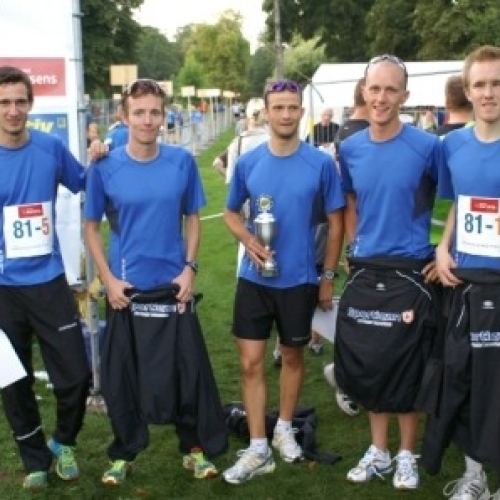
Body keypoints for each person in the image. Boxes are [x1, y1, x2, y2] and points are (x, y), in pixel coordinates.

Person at [84, 78, 228, 486]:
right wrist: (108, 279)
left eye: (154, 112)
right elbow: (91, 227)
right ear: (124, 116)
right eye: (139, 113)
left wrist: (190, 268)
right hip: (126, 291)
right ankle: (123, 453)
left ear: (164, 116)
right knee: (123, 377)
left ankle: (193, 449)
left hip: (173, 287)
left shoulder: (181, 162)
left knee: (185, 372)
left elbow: (193, 218)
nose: (147, 120)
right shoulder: (104, 166)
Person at [221, 79, 345, 484]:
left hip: (299, 279)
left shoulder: (320, 163)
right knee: (250, 363)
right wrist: (249, 241)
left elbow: (337, 222)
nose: (286, 114)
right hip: (254, 278)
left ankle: (284, 428)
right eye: (279, 107)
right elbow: (231, 213)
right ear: (266, 113)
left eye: (293, 107)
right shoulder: (248, 162)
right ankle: (258, 446)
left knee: (292, 357)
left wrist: (327, 277)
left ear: (301, 112)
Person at [334, 54, 441, 491]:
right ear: (364, 91)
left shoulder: (428, 147)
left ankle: (406, 455)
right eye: (374, 88)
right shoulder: (350, 148)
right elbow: (351, 201)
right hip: (367, 268)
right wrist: (354, 246)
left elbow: (457, 195)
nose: (381, 98)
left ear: (405, 95)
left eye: (390, 89)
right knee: (373, 362)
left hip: (412, 271)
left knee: (408, 365)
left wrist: (445, 250)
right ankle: (378, 451)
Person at [0, 65, 90, 490]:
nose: (13, 110)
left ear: (31, 104)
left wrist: (101, 155)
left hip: (49, 281)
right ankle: (34, 459)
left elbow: (84, 182)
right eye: (4, 103)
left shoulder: (51, 148)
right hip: (3, 290)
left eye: (20, 101)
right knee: (12, 380)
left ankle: (63, 442)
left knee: (76, 374)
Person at [421, 45, 500, 500]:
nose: (489, 93)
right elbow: (457, 204)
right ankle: (475, 477)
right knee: (465, 381)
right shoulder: (453, 146)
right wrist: (443, 248)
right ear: (467, 91)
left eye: (496, 83)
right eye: (480, 84)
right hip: (466, 286)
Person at [323, 76, 370, 417]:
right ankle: (345, 377)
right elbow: (348, 199)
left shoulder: (343, 133)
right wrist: (353, 246)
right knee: (362, 317)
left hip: (359, 238)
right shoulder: (356, 137)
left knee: (363, 316)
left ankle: (345, 374)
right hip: (360, 237)